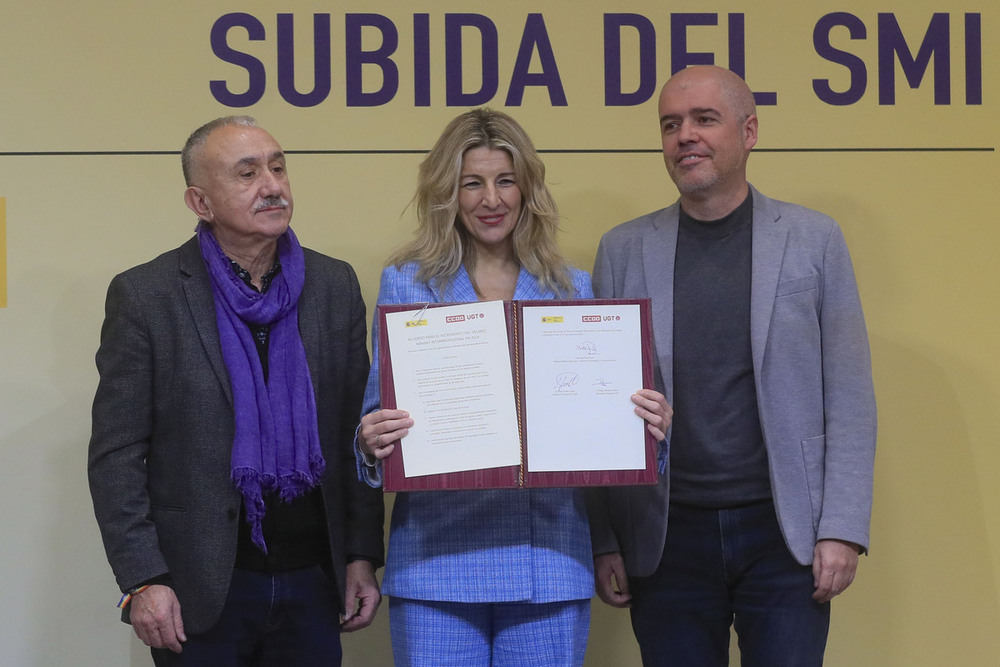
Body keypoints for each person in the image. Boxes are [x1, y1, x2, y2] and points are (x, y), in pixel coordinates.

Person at [355, 108, 670, 666]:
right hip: (434, 563)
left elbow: (595, 437)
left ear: (527, 188)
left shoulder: (571, 287)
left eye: (505, 181)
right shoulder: (406, 280)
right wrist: (371, 440)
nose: (490, 199)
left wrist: (643, 432)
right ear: (446, 193)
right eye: (471, 183)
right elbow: (377, 414)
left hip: (548, 561)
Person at [587, 65, 877, 666]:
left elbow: (848, 396)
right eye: (671, 124)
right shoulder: (622, 249)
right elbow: (597, 408)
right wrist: (606, 538)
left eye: (703, 119)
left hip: (785, 533)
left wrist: (841, 528)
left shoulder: (814, 240)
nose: (684, 135)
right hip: (665, 536)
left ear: (748, 132)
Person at [88, 115, 385, 667]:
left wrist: (362, 554)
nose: (272, 186)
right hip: (200, 588)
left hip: (314, 583)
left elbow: (355, 433)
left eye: (277, 167)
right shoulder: (147, 296)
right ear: (201, 203)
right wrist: (143, 578)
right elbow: (117, 455)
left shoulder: (333, 285)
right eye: (246, 174)